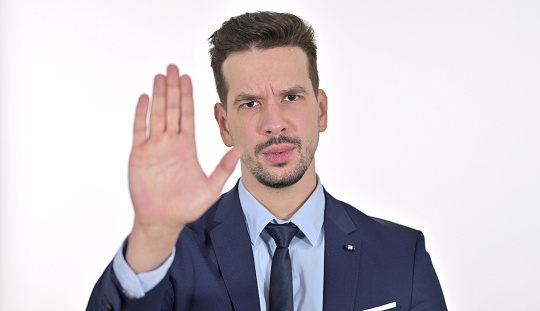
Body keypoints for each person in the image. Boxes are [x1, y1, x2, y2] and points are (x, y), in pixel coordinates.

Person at [86, 11, 447, 311]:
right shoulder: (170, 254)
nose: (274, 124)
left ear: (321, 110)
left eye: (291, 96)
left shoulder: (402, 254)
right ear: (225, 125)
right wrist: (151, 236)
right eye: (251, 103)